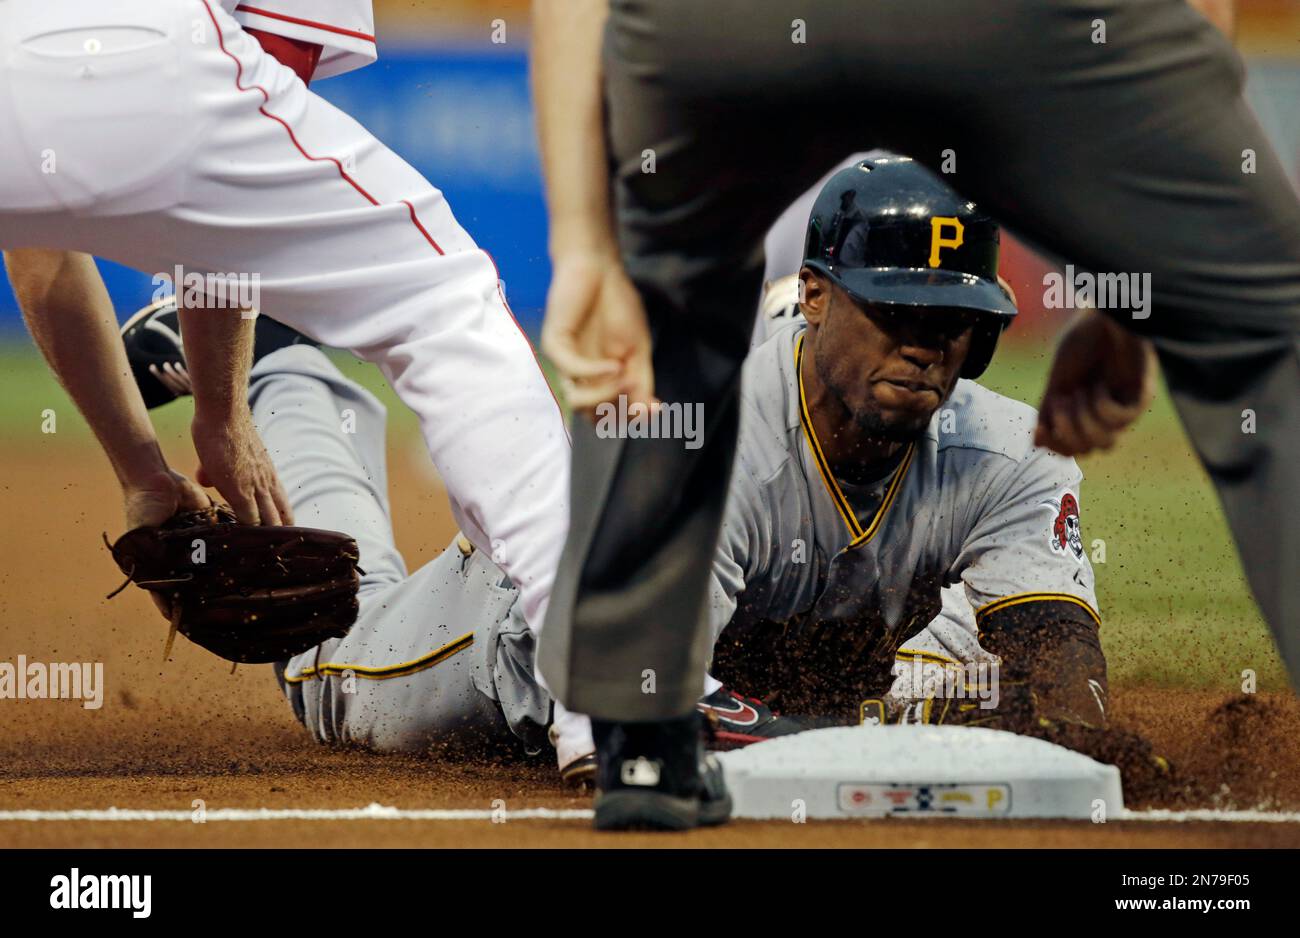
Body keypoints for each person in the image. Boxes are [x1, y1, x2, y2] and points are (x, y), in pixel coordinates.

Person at [531, 0, 1300, 830]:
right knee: (1269, 336)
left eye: (949, 323)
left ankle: (642, 744)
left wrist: (587, 245)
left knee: (659, 333)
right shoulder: (753, 430)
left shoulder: (1008, 451)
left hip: (723, 27)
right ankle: (635, 721)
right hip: (1021, 24)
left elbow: (1060, 685)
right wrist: (1135, 280)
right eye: (895, 312)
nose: (924, 346)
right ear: (814, 297)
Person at [1, 0, 568, 649]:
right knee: (441, 298)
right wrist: (221, 416)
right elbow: (227, 210)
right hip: (162, 48)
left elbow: (39, 254)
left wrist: (142, 472)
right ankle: (602, 691)